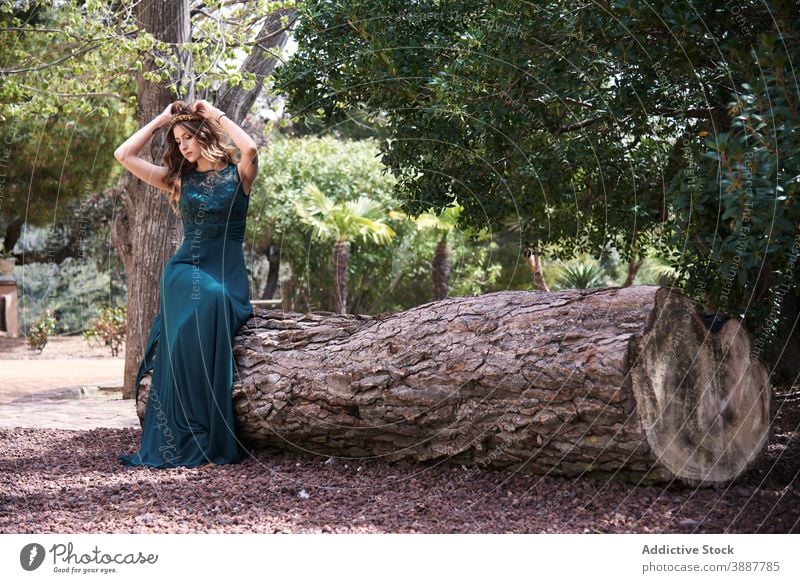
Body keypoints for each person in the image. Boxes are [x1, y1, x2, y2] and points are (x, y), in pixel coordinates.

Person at [113, 99, 258, 468]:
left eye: (186, 138)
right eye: (176, 141)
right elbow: (123, 154)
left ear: (204, 135)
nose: (182, 146)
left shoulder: (239, 175)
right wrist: (162, 120)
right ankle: (187, 430)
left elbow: (251, 147)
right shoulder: (179, 180)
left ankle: (206, 425)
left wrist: (215, 114)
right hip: (185, 271)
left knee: (219, 301)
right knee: (206, 302)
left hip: (227, 272)